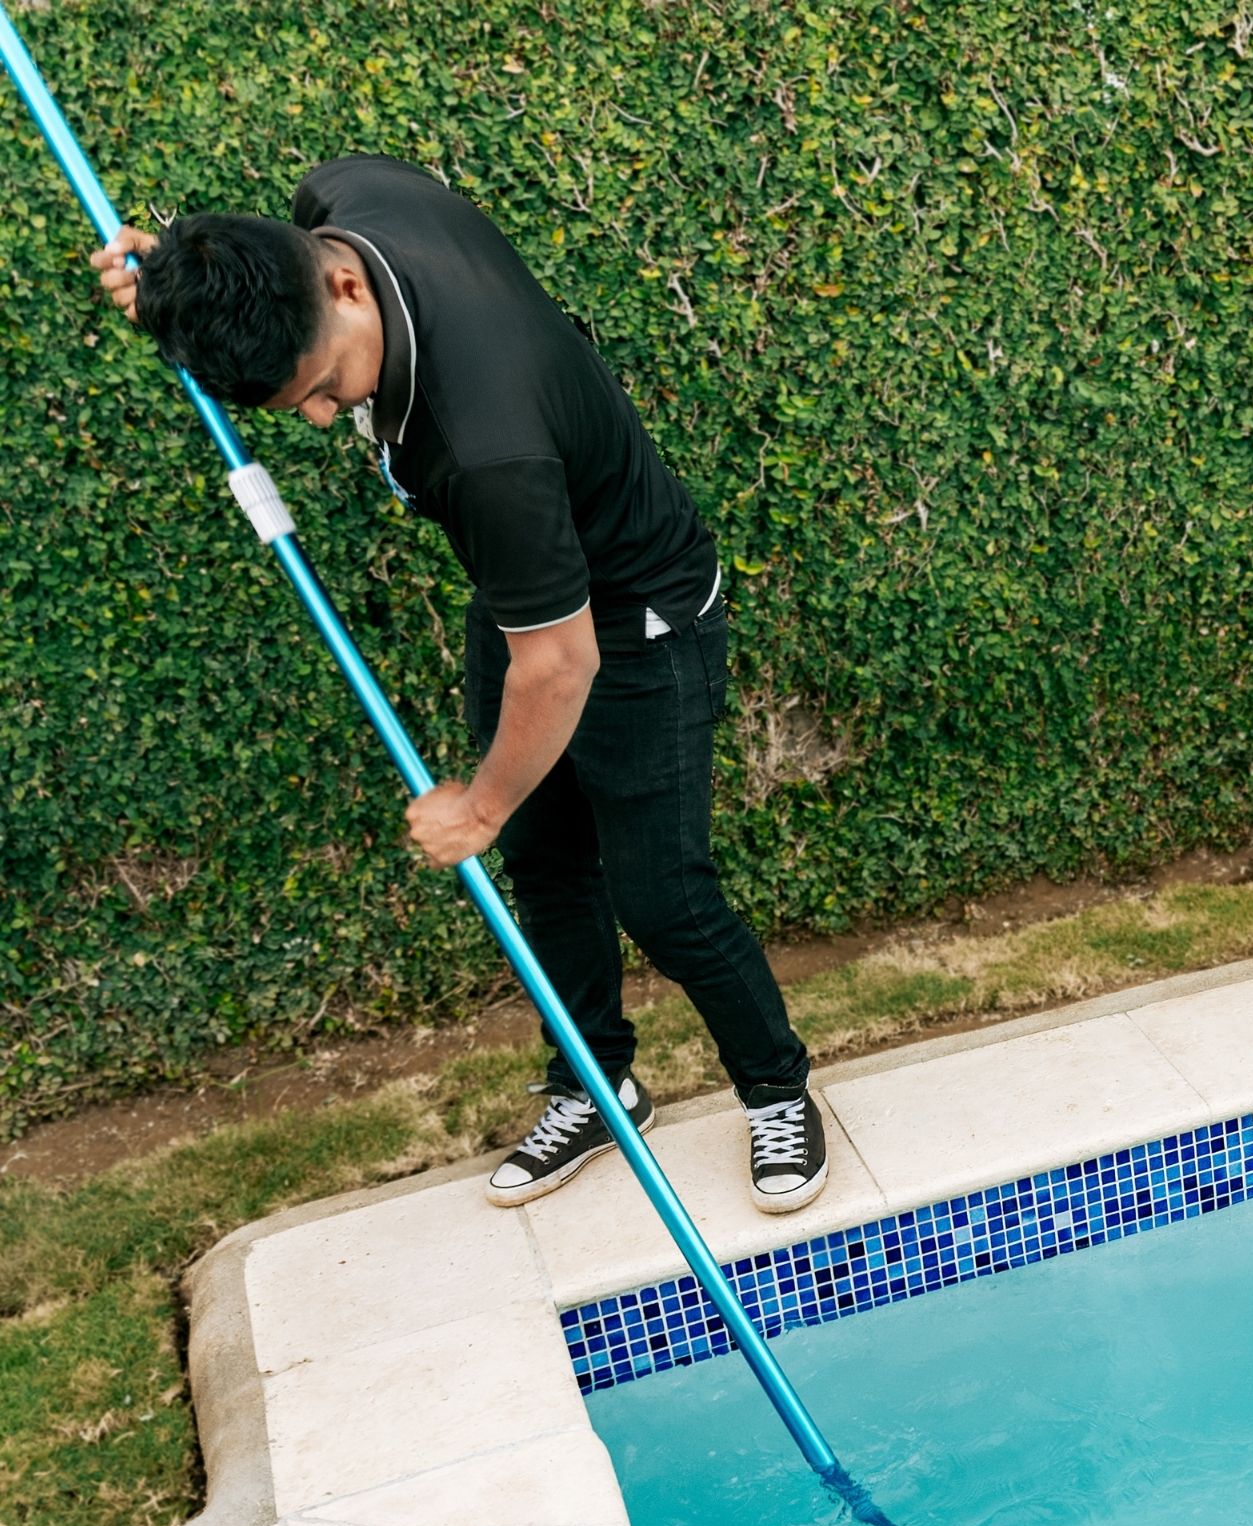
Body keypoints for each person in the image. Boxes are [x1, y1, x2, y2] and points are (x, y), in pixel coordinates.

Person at [91, 153, 827, 1214]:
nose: (320, 417)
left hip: (635, 621)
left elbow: (562, 665)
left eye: (324, 385)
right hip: (528, 596)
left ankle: (776, 1088)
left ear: (346, 287)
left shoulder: (487, 449)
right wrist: (179, 279)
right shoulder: (348, 199)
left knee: (662, 897)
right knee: (546, 863)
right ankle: (597, 1085)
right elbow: (260, 261)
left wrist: (477, 808)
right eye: (297, 403)